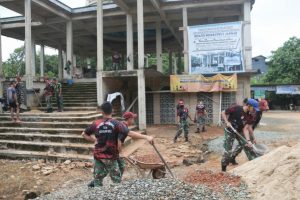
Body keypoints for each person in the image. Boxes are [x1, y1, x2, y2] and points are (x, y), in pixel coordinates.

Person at [82, 102, 153, 187]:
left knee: (98, 179)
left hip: (98, 156)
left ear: (102, 112)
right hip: (111, 157)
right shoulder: (116, 123)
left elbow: (84, 134)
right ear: (112, 111)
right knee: (116, 181)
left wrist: (94, 140)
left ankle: (97, 192)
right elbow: (130, 133)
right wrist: (146, 137)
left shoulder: (96, 123)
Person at [221, 99, 260, 172]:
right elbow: (223, 112)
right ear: (249, 106)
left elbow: (246, 129)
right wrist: (227, 122)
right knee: (228, 151)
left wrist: (248, 141)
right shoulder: (236, 108)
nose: (254, 111)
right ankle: (223, 169)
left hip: (239, 131)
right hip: (230, 131)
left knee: (247, 146)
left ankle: (254, 166)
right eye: (254, 108)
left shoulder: (250, 115)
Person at [230, 99, 269, 165]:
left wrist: (252, 137)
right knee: (246, 144)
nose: (266, 109)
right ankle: (252, 159)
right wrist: (252, 137)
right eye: (265, 107)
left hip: (249, 130)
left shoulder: (259, 112)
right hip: (245, 130)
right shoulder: (255, 112)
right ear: (260, 106)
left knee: (243, 144)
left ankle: (233, 157)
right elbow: (248, 126)